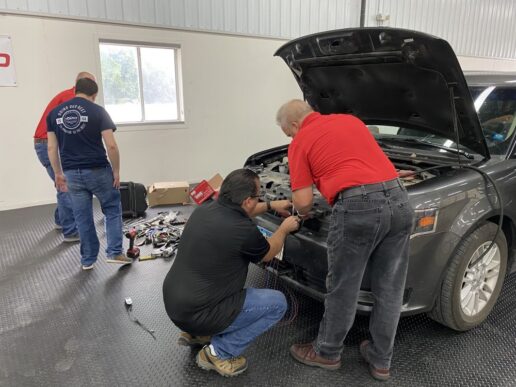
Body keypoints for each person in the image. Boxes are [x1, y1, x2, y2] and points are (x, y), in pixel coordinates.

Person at [276, 100, 415, 381]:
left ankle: (327, 352)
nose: (291, 138)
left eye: (288, 134)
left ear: (293, 125)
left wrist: (299, 208)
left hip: (358, 209)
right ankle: (380, 360)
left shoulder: (300, 141)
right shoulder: (350, 121)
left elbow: (303, 202)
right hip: (400, 201)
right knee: (389, 288)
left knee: (343, 286)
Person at [162, 168, 300, 377]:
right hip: (199, 313)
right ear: (247, 201)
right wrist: (284, 228)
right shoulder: (243, 229)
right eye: (258, 196)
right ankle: (219, 352)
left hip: (175, 305)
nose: (259, 199)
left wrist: (271, 205)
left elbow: (244, 209)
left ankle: (198, 335)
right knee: (278, 303)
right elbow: (269, 253)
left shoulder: (204, 209)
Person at [47, 77, 131, 270]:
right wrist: (116, 171)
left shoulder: (54, 114)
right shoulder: (98, 111)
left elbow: (52, 148)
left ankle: (87, 260)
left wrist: (58, 173)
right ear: (94, 95)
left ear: (76, 90)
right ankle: (115, 253)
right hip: (98, 170)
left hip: (71, 174)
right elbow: (111, 145)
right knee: (111, 208)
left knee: (82, 216)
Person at [34, 71, 95, 242]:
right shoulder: (71, 100)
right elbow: (71, 130)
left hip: (44, 144)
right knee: (66, 186)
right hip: (49, 145)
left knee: (63, 184)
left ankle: (61, 221)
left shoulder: (67, 96)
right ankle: (71, 231)